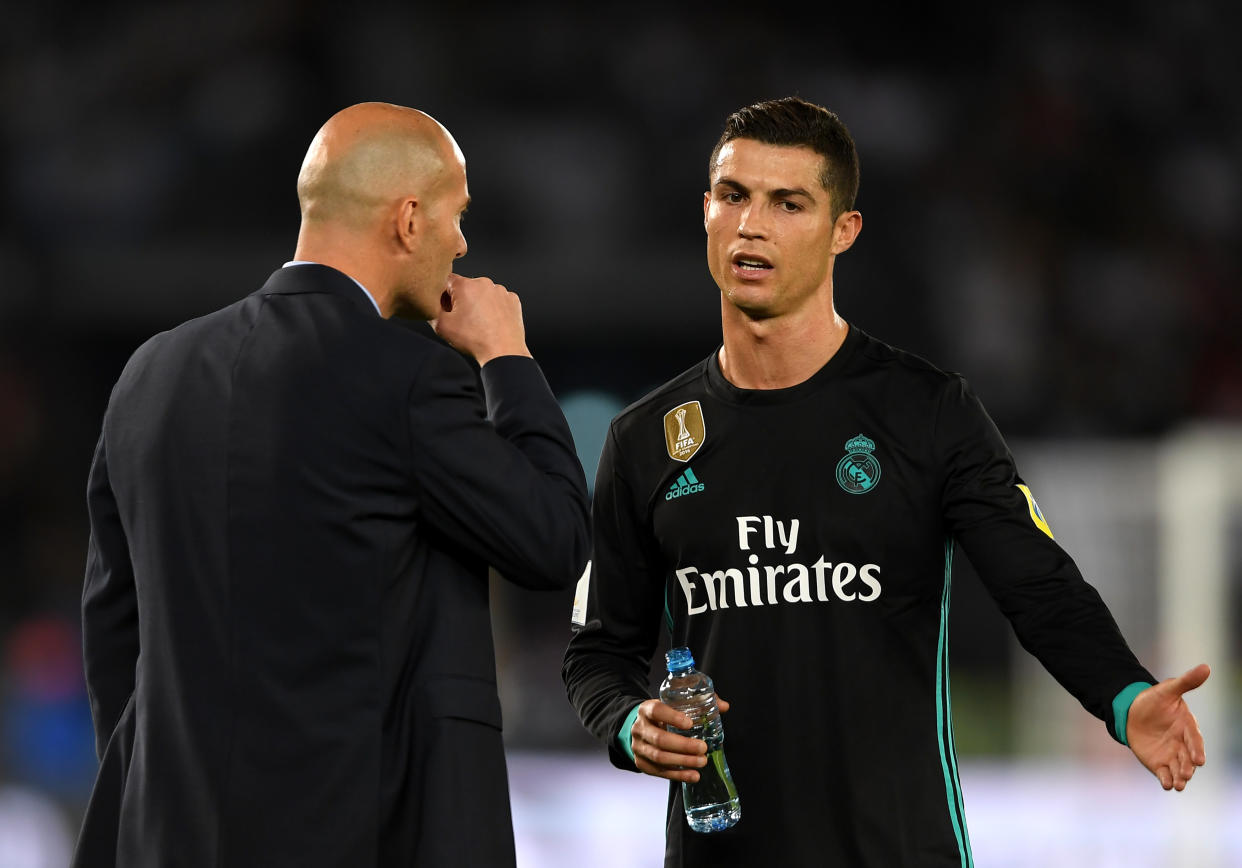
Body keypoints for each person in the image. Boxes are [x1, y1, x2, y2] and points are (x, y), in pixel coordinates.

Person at [561, 96, 1209, 867]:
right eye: (734, 196)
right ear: (706, 211)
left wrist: (1125, 696)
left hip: (896, 850)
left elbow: (1038, 585)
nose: (751, 224)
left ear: (844, 231)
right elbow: (599, 651)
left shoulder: (927, 411)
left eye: (788, 202)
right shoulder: (646, 440)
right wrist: (631, 724)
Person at [74, 102, 590, 868]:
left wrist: (167, 783)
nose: (462, 243)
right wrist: (506, 360)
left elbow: (115, 625)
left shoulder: (151, 374)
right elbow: (554, 538)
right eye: (457, 216)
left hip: (168, 833)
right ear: (410, 220)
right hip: (354, 834)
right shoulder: (406, 378)